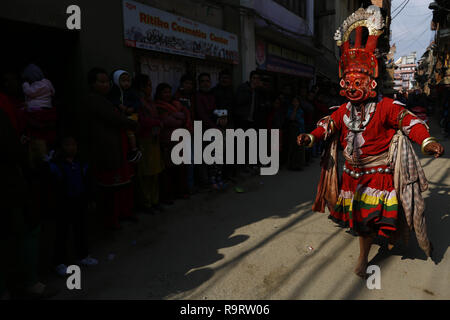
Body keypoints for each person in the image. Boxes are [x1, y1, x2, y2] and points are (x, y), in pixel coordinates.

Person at [297, 6, 444, 278]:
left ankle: (365, 258)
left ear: (371, 83)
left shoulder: (386, 107)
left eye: (358, 81)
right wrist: (310, 136)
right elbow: (326, 124)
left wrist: (427, 141)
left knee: (372, 219)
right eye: (347, 81)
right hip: (353, 175)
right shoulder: (344, 110)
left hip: (380, 176)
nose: (351, 87)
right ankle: (372, 249)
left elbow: (410, 122)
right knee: (366, 220)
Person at [87, 68, 138, 230]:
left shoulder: (109, 99)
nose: (105, 85)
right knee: (110, 190)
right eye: (100, 82)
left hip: (117, 148)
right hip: (106, 150)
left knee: (120, 186)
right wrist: (132, 123)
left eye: (106, 81)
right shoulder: (95, 100)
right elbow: (114, 119)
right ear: (92, 84)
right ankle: (111, 223)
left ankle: (121, 216)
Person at [50, 136, 98, 276]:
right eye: (67, 145)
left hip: (80, 199)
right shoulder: (56, 165)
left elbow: (88, 182)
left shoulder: (82, 162)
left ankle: (83, 256)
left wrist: (90, 198)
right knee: (62, 233)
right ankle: (59, 262)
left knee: (81, 229)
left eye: (74, 144)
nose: (71, 148)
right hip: (63, 203)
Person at [154, 83, 192, 203]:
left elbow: (185, 117)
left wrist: (176, 116)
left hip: (180, 139)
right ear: (159, 93)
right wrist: (178, 117)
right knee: (168, 170)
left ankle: (181, 192)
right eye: (164, 92)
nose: (167, 94)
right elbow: (168, 121)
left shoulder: (176, 104)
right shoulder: (158, 106)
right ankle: (168, 195)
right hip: (167, 141)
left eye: (169, 92)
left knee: (181, 169)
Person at [135, 74, 165, 214]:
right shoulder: (138, 102)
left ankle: (155, 200)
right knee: (146, 173)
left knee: (155, 172)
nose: (150, 88)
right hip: (144, 140)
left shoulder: (150, 101)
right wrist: (157, 122)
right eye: (148, 85)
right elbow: (141, 121)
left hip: (154, 139)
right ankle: (146, 203)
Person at [21, 64, 57, 164]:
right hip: (46, 109)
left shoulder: (39, 85)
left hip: (36, 110)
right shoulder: (48, 84)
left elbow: (29, 92)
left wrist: (25, 84)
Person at [109, 69, 142, 163]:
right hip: (122, 116)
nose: (126, 83)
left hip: (131, 115)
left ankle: (135, 150)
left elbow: (138, 102)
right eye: (123, 80)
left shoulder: (131, 92)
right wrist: (120, 105)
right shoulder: (114, 92)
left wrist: (132, 108)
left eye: (128, 81)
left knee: (130, 132)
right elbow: (113, 100)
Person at [175, 74, 196, 193]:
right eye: (186, 83)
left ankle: (190, 185)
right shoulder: (177, 96)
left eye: (190, 83)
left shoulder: (193, 96)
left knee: (192, 160)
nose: (188, 86)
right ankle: (185, 187)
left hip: (193, 129)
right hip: (182, 131)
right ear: (181, 84)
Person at [286, 96, 306, 170]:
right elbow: (291, 118)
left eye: (296, 102)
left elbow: (302, 121)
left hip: (300, 130)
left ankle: (298, 165)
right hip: (293, 130)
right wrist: (294, 109)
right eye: (294, 101)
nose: (295, 103)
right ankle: (291, 165)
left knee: (299, 148)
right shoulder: (290, 110)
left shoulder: (301, 111)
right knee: (292, 147)